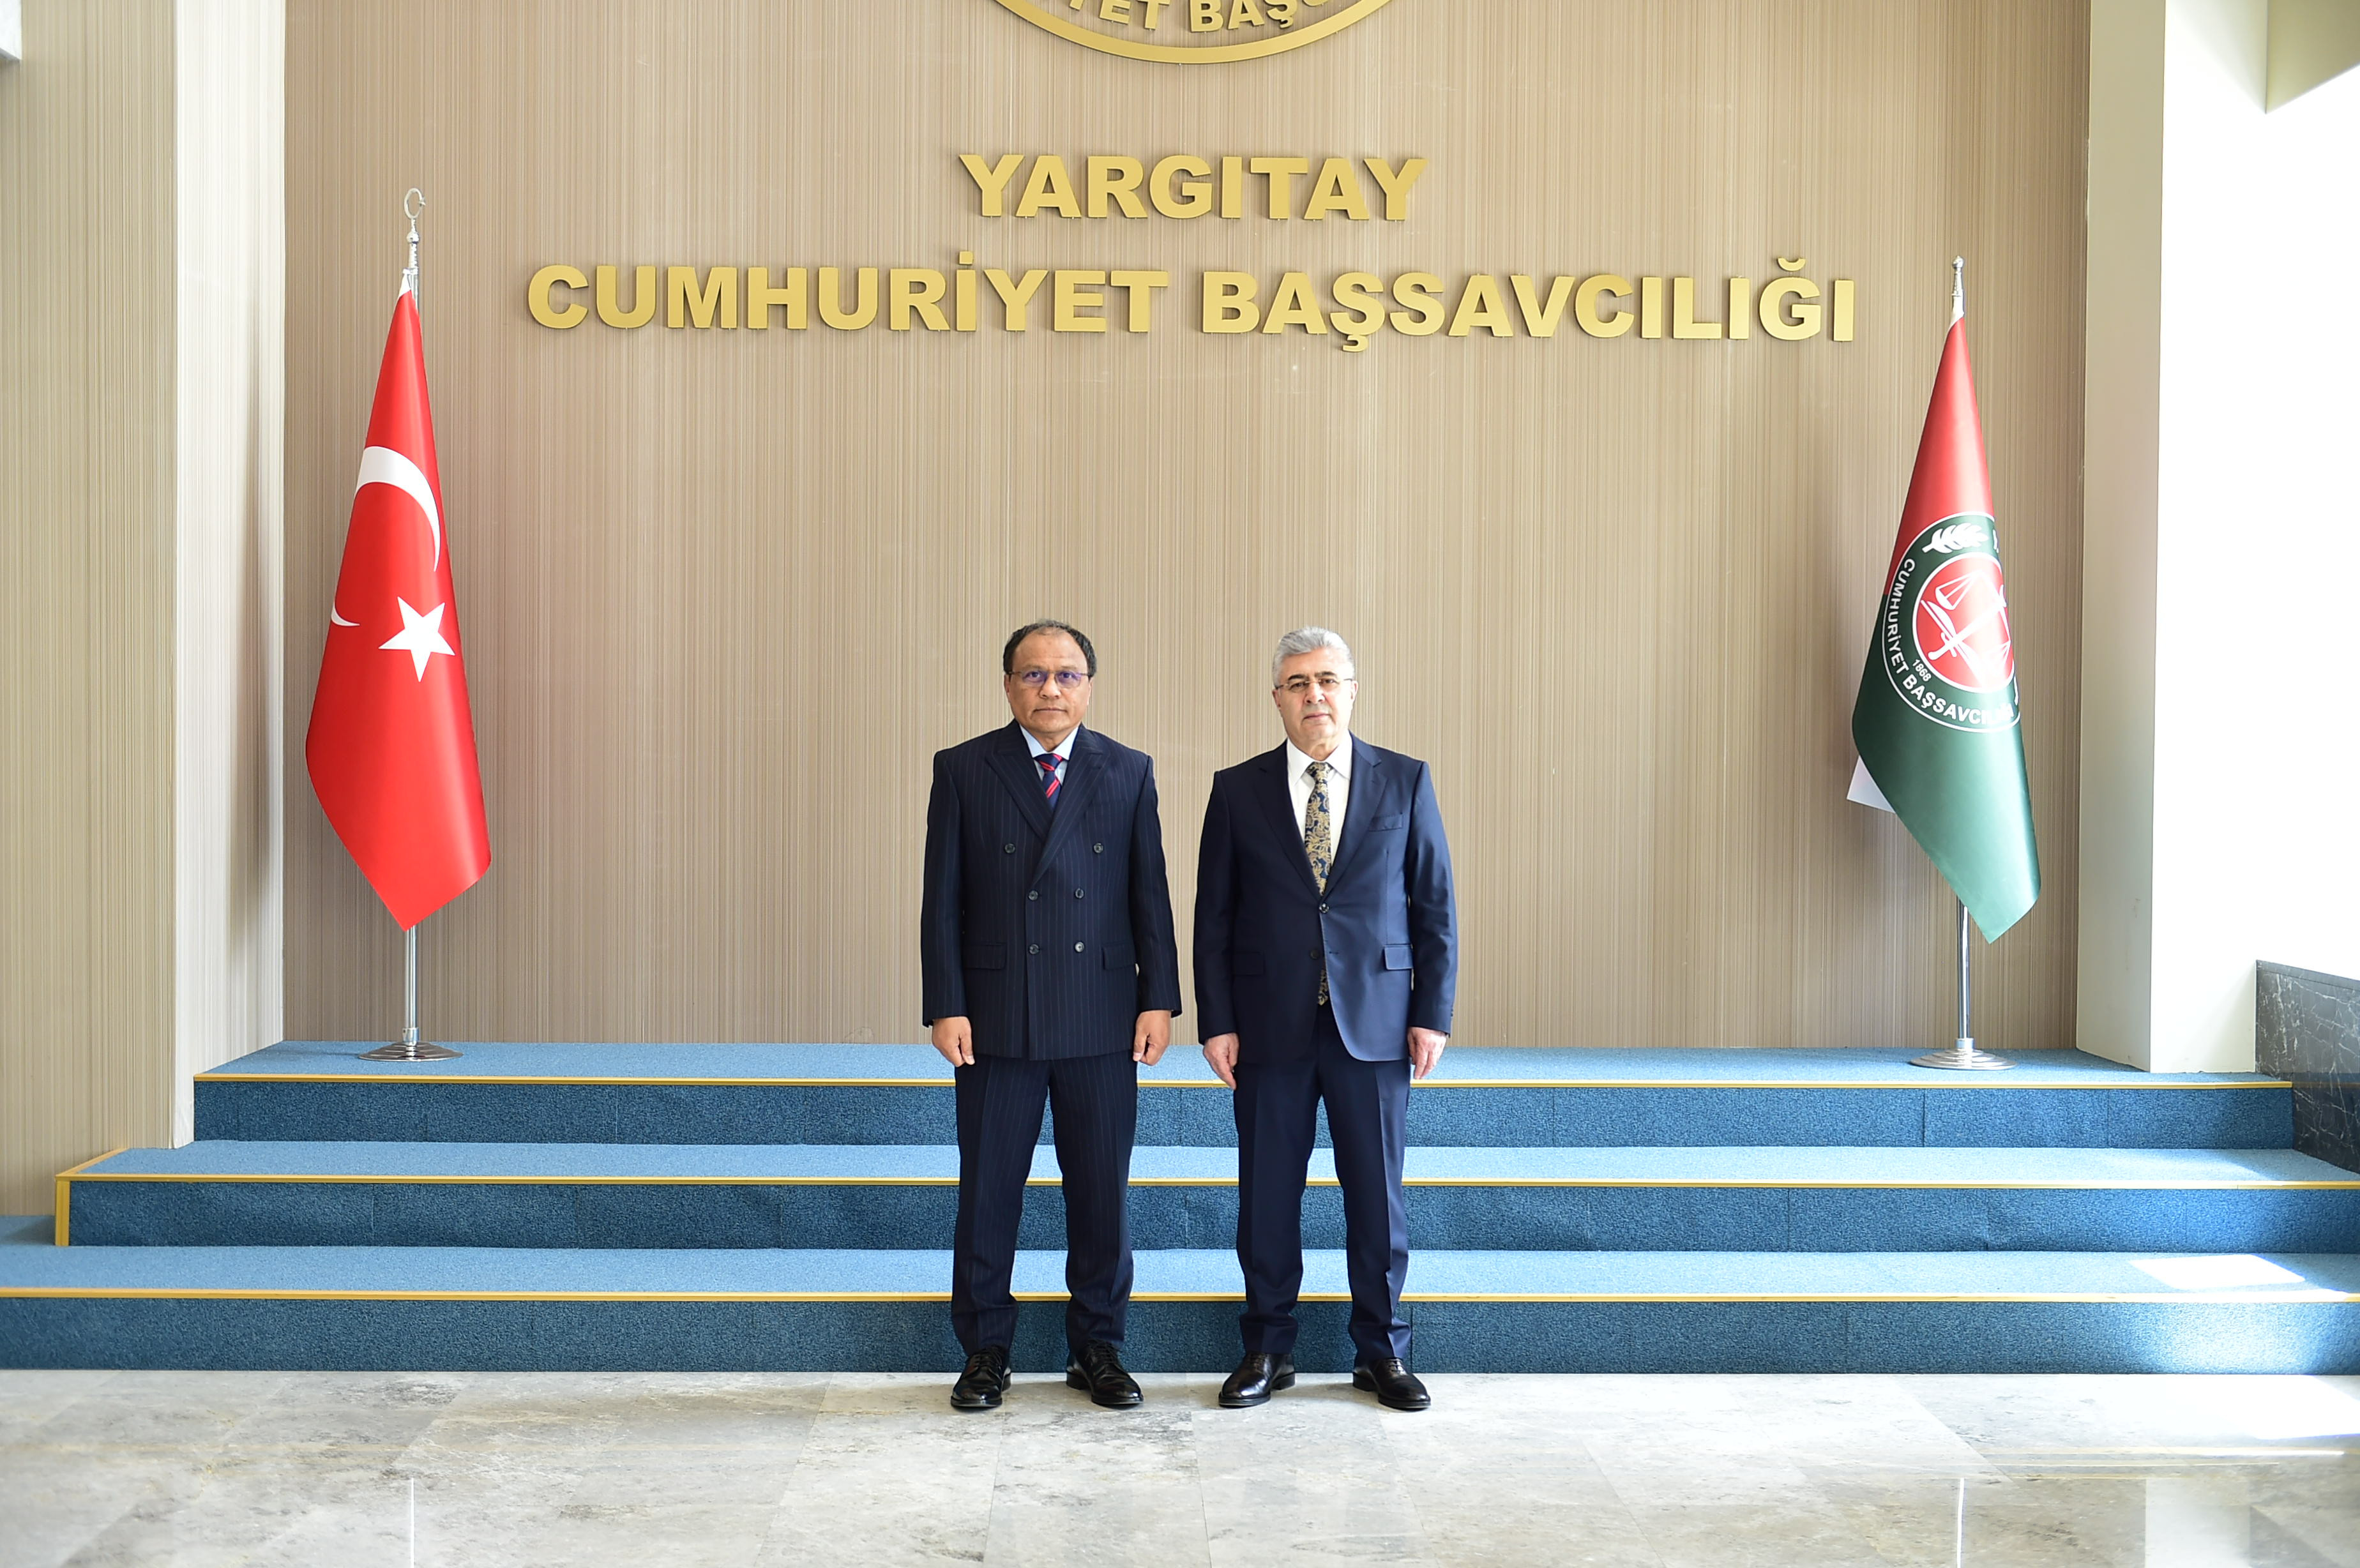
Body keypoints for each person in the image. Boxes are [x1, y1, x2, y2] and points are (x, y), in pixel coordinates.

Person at [920, 620, 1182, 1412]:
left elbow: (1150, 896)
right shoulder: (964, 767)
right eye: (1033, 674)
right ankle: (985, 1349)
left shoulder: (1128, 769)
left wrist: (1159, 998)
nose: (1051, 688)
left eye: (1067, 674)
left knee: (1100, 1191)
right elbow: (942, 901)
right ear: (1008, 685)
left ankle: (1097, 1345)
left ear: (1088, 686)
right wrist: (945, 1002)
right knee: (988, 1190)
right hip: (995, 1015)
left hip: (1101, 1015)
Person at [1194, 627, 1457, 1412]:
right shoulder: (1236, 789)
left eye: (1328, 680)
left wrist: (1432, 1013)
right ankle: (1267, 1348)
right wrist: (1216, 1019)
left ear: (1352, 689)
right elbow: (1213, 917)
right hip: (1268, 1025)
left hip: (1375, 1022)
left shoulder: (1404, 779)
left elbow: (1433, 905)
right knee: (1267, 1196)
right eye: (1298, 683)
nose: (1315, 695)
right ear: (1277, 697)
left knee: (1377, 1196)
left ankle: (1383, 1351)